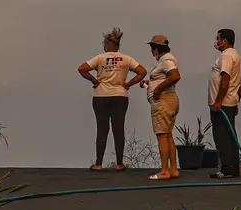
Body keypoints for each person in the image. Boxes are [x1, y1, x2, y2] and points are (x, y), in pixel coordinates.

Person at [77, 27, 146, 171]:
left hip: (101, 96)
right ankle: (119, 164)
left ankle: (98, 163)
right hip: (120, 96)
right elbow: (142, 72)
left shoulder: (100, 58)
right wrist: (128, 84)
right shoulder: (127, 59)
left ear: (107, 44)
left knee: (102, 129)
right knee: (118, 129)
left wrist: (94, 80)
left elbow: (82, 69)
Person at [140, 34, 181, 180]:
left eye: (152, 48)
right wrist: (150, 84)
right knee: (168, 134)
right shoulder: (165, 60)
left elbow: (175, 76)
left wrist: (157, 90)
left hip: (163, 101)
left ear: (156, 48)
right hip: (169, 100)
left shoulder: (166, 60)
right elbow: (164, 78)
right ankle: (173, 169)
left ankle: (164, 171)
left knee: (162, 135)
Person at [208, 28, 241, 179]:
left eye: (218, 38)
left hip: (223, 104)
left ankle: (227, 169)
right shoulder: (237, 56)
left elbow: (225, 79)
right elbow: (240, 83)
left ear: (225, 41)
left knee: (222, 136)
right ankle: (233, 169)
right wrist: (236, 101)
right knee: (230, 135)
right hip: (230, 102)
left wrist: (218, 101)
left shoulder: (227, 56)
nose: (216, 41)